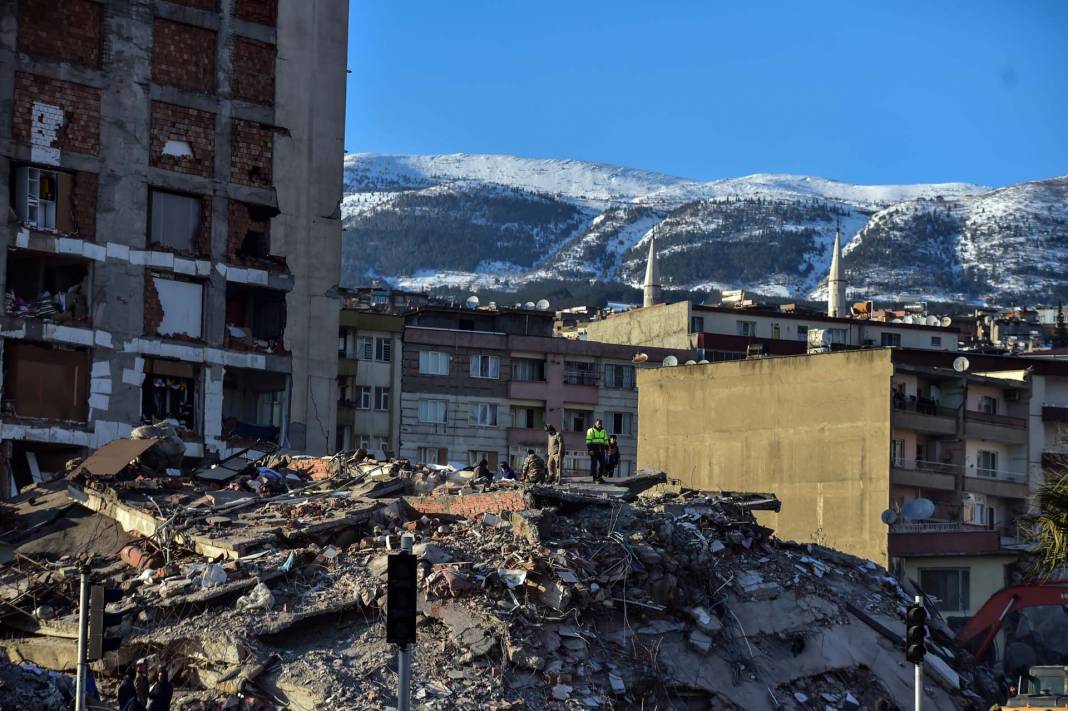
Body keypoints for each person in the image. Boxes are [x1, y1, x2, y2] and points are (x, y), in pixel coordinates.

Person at [585, 418, 609, 483]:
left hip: (601, 450)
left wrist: (607, 449)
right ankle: (594, 479)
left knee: (603, 464)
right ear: (595, 423)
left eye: (601, 424)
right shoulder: (590, 430)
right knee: (594, 464)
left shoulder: (604, 431)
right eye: (598, 423)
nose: (600, 425)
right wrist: (590, 450)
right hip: (593, 450)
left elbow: (606, 441)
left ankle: (599, 477)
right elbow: (588, 441)